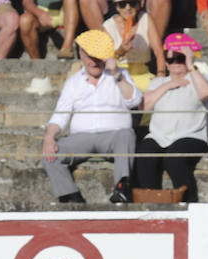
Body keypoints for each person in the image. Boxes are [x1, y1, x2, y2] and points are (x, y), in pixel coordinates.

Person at [41, 29, 140, 204]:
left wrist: (116, 74)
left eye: (98, 57)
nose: (94, 61)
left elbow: (135, 101)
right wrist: (49, 136)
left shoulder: (120, 74)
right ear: (81, 55)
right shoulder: (74, 82)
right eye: (89, 56)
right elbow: (60, 115)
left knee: (127, 135)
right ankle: (71, 198)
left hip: (114, 135)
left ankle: (122, 188)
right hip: (81, 137)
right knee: (50, 154)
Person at [135, 35, 208, 202]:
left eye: (181, 59)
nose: (176, 63)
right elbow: (144, 106)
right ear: (167, 63)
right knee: (144, 157)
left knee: (174, 160)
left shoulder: (196, 78)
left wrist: (191, 66)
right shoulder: (158, 82)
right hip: (159, 136)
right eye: (171, 59)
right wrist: (168, 85)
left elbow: (206, 93)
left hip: (191, 134)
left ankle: (189, 204)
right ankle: (151, 202)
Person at [103, 0, 166, 90]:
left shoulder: (146, 19)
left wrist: (161, 74)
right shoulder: (109, 26)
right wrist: (120, 51)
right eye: (122, 4)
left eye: (132, 3)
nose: (128, 8)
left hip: (142, 73)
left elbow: (158, 51)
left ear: (139, 5)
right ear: (116, 7)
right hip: (117, 74)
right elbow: (105, 60)